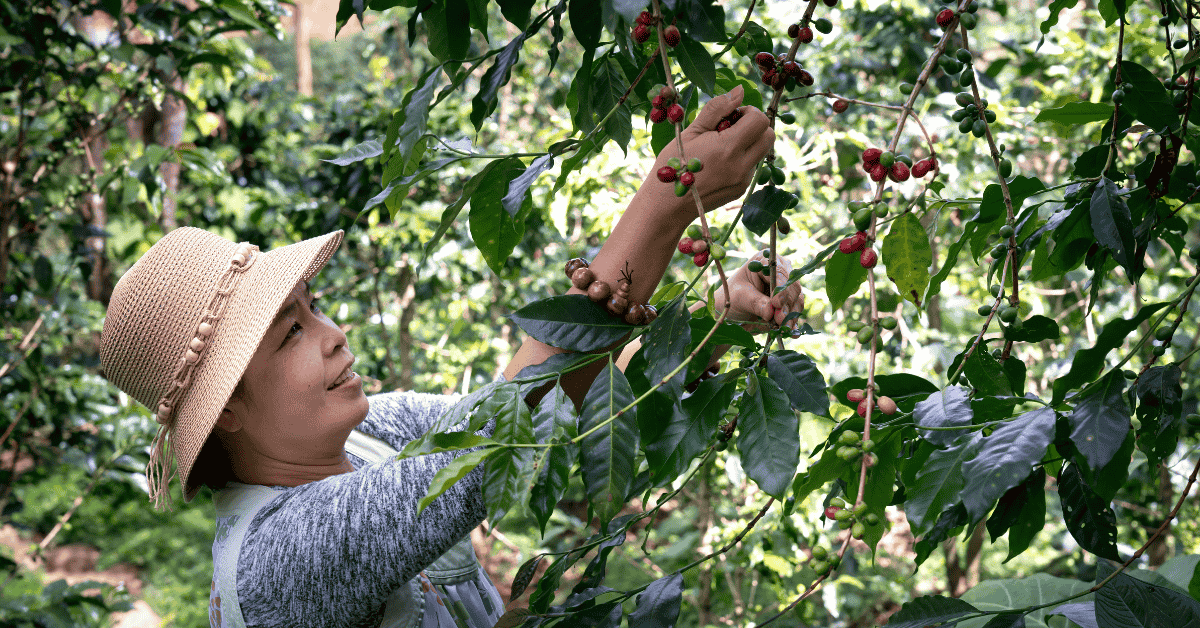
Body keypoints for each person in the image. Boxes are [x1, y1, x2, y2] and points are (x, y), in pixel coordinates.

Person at [97, 85, 803, 628]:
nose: (333, 334)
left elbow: (551, 402)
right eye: (290, 333)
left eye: (312, 309)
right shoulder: (280, 559)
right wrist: (666, 199)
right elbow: (497, 436)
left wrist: (705, 322)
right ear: (226, 414)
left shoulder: (374, 432)